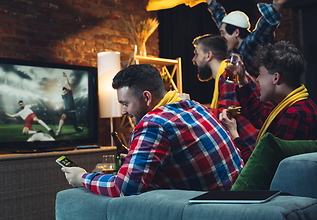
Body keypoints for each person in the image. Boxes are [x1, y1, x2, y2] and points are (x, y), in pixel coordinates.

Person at [61, 64, 244, 197]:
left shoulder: (153, 123)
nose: (123, 111)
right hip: (239, 197)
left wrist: (83, 177)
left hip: (214, 210)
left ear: (147, 97)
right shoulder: (192, 106)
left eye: (125, 104)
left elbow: (124, 188)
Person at [219, 41, 317, 161]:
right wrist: (242, 81)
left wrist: (234, 134)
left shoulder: (294, 115)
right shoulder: (295, 105)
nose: (258, 79)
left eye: (260, 74)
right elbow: (260, 116)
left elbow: (262, 168)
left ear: (276, 78)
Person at [192, 34, 260, 160]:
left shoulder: (229, 75)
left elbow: (225, 115)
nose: (194, 60)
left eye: (196, 54)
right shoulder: (226, 73)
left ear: (208, 55)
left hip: (252, 150)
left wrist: (189, 106)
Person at [206, 0, 291, 78]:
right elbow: (221, 21)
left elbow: (262, 28)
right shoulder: (233, 46)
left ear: (236, 33)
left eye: (223, 34)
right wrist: (211, 3)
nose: (221, 38)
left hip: (266, 88)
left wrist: (276, 6)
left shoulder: (250, 44)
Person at [56, 72, 83, 136]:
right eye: (63, 92)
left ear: (67, 91)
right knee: (62, 117)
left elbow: (69, 85)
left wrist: (66, 77)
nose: (64, 92)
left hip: (72, 112)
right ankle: (58, 131)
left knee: (75, 128)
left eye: (65, 91)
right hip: (66, 111)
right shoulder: (63, 96)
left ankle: (80, 129)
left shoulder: (69, 94)